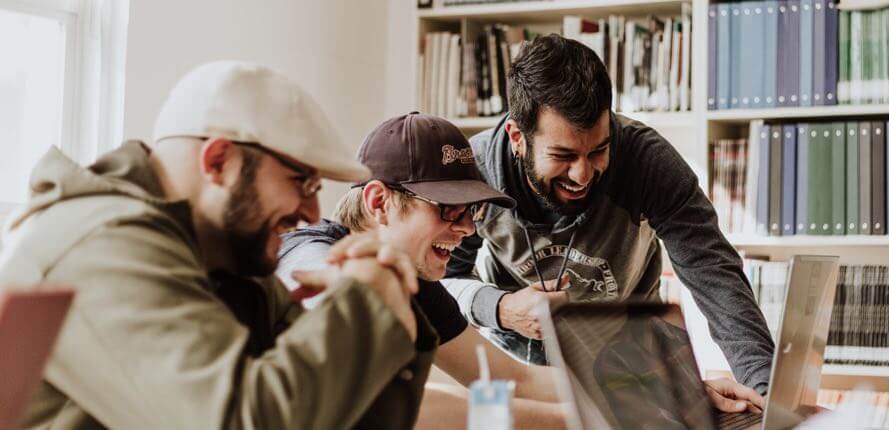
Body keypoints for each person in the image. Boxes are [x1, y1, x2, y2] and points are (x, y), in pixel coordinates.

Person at [0, 61, 433, 429]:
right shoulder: (102, 246)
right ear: (218, 161)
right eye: (301, 181)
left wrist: (391, 301)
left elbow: (346, 418)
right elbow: (243, 420)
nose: (311, 211)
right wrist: (363, 303)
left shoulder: (227, 258)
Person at [277, 113, 762, 429]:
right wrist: (595, 420)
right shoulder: (310, 254)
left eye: (472, 212)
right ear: (379, 202)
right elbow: (406, 407)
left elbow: (511, 379)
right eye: (448, 210)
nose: (467, 229)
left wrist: (670, 391)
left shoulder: (416, 281)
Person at [440, 34, 775, 405]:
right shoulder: (476, 170)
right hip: (523, 372)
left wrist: (766, 397)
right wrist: (500, 309)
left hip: (632, 363)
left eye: (598, 150)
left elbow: (714, 274)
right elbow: (442, 281)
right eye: (563, 155)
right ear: (517, 137)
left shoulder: (647, 161)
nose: (583, 174)